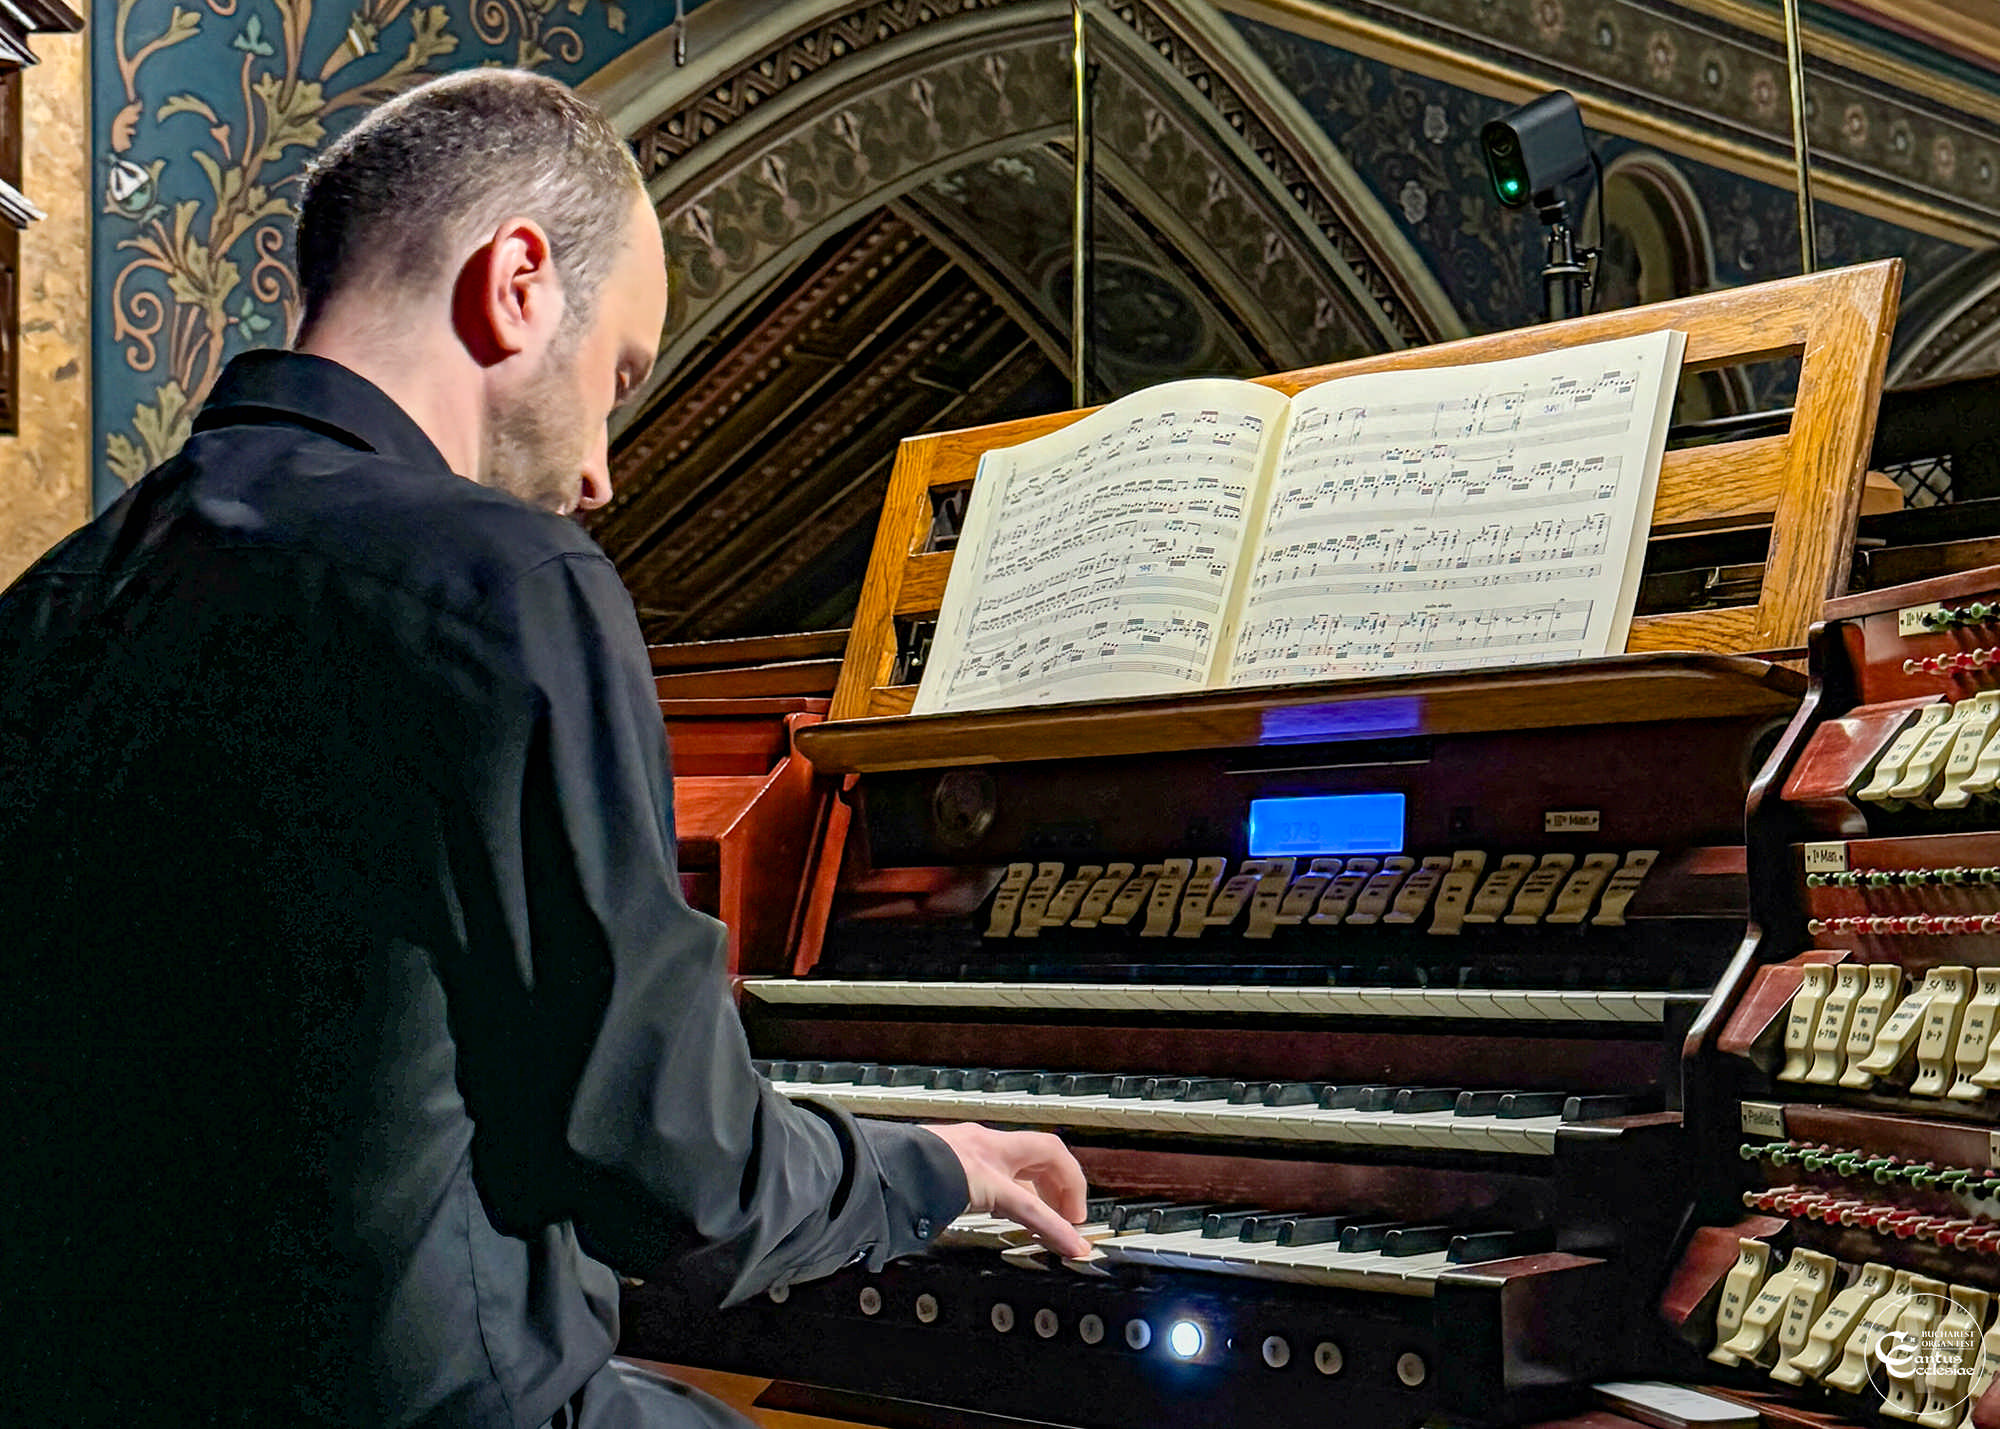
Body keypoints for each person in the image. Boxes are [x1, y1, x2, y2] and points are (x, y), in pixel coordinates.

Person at [0, 69, 1088, 1428]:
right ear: (518, 281)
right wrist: (930, 1167)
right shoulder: (505, 580)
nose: (601, 473)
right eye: (617, 376)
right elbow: (679, 1181)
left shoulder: (49, 604)